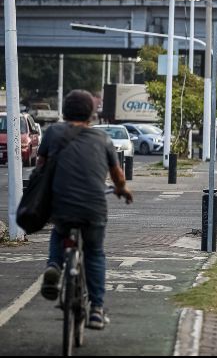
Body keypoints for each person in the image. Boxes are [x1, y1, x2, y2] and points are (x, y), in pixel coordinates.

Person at [38, 90, 134, 329]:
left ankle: (54, 266)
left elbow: (40, 166)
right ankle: (97, 310)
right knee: (94, 253)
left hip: (61, 205)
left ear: (64, 112)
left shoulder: (52, 132)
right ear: (92, 114)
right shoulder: (103, 140)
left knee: (59, 231)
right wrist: (122, 190)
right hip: (93, 207)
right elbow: (117, 176)